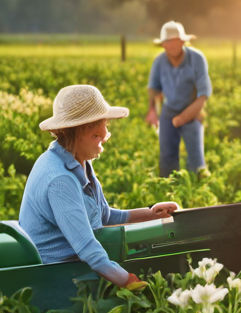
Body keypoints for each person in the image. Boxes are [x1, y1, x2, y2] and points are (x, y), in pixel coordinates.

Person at [19, 85, 180, 290]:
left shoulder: (79, 161)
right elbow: (88, 249)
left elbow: (104, 216)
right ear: (73, 134)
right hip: (56, 277)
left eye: (102, 132)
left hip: (79, 263)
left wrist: (151, 214)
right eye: (96, 136)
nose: (103, 139)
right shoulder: (60, 180)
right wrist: (128, 281)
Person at [145, 21, 212, 177]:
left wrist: (184, 117)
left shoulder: (197, 59)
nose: (170, 45)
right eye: (167, 42)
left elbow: (204, 94)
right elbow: (153, 88)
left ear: (182, 41)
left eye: (174, 41)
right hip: (169, 112)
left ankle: (199, 191)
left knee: (196, 160)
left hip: (193, 111)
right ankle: (169, 192)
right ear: (162, 45)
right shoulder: (159, 62)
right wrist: (152, 110)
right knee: (167, 158)